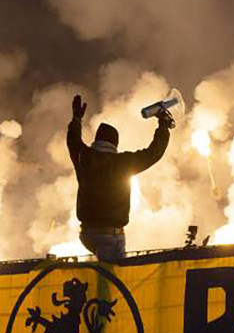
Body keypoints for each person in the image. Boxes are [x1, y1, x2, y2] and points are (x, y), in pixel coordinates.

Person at [67, 94, 172, 261]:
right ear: (114, 144)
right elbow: (153, 153)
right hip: (110, 235)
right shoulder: (122, 163)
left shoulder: (84, 157)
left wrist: (76, 119)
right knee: (114, 279)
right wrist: (163, 127)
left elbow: (73, 141)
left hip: (87, 234)